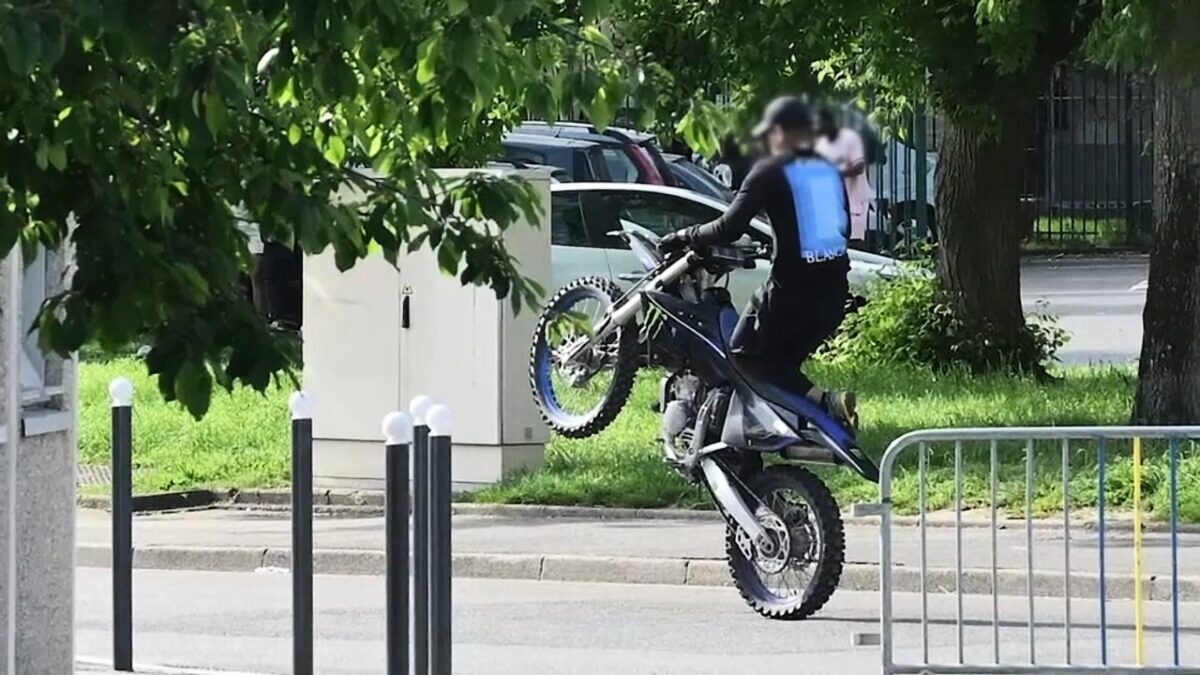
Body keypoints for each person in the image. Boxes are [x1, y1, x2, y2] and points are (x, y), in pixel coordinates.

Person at [658, 96, 856, 425]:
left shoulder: (769, 172)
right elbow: (842, 228)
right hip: (834, 294)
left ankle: (827, 403)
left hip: (791, 294)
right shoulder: (828, 172)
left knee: (743, 354)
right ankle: (761, 428)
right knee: (777, 365)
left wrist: (684, 235)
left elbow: (727, 227)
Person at [815, 107, 874, 249]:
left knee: (854, 246)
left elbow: (859, 166)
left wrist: (836, 173)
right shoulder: (821, 143)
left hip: (854, 202)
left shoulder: (849, 138)